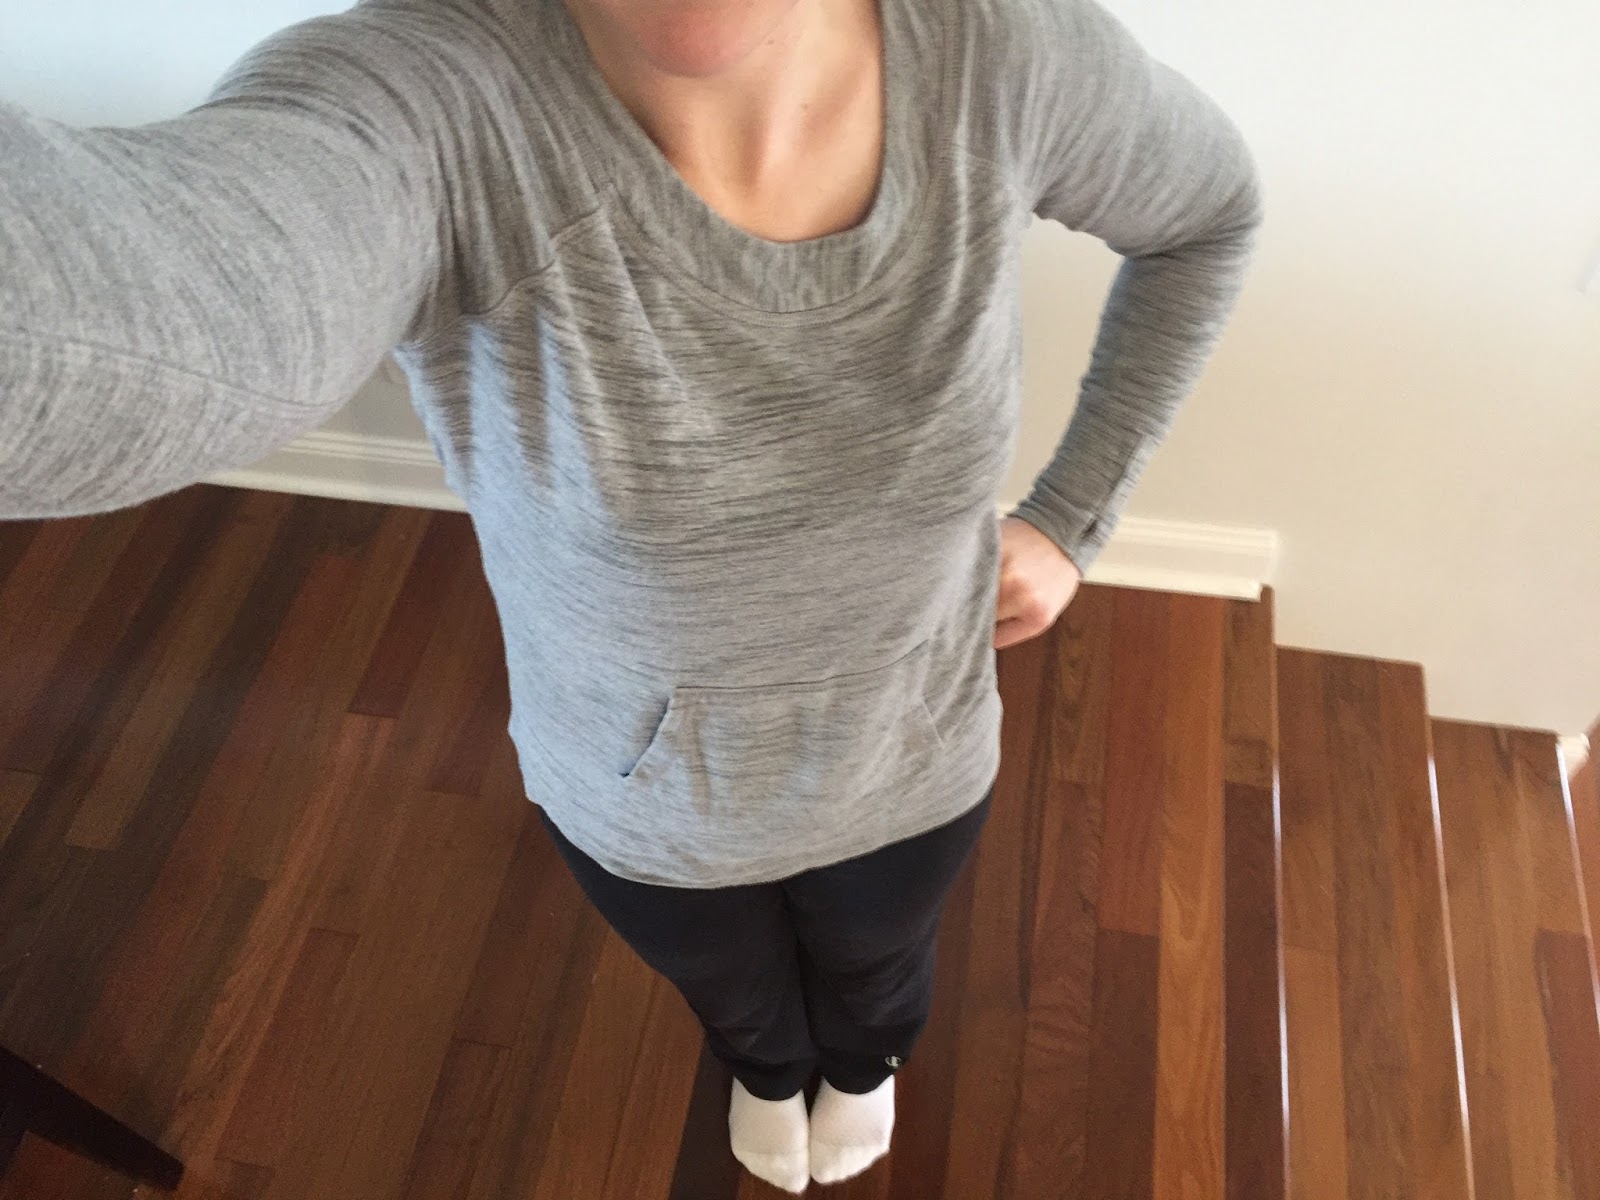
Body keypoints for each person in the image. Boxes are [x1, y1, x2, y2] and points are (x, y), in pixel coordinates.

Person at [0, 0, 1262, 1189]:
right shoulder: (435, 105)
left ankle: (865, 1062)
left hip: (910, 758)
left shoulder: (1001, 55)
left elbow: (1206, 217)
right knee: (735, 995)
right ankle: (766, 1067)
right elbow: (156, 306)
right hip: (642, 801)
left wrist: (1071, 516)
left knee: (882, 969)